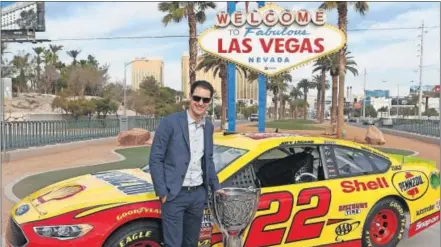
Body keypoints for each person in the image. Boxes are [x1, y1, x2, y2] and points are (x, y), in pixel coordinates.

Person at [149, 80, 224, 247]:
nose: (200, 103)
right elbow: (155, 158)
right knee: (173, 244)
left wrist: (216, 187)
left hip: (197, 195)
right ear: (190, 97)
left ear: (210, 102)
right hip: (174, 195)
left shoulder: (209, 127)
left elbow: (208, 159)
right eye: (197, 98)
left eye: (205, 100)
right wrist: (163, 193)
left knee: (191, 244)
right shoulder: (170, 123)